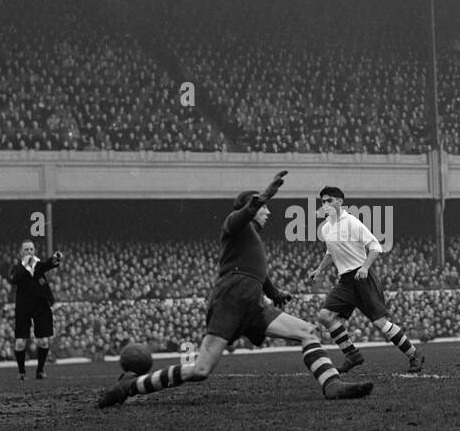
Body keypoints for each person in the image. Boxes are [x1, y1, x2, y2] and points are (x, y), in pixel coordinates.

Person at [97, 171, 374, 408]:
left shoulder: (251, 240)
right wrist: (263, 196)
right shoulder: (234, 225)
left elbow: (258, 274)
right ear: (249, 207)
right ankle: (130, 387)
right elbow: (243, 216)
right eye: (264, 208)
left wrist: (276, 294)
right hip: (229, 301)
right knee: (201, 370)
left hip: (252, 304)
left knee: (308, 331)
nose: (268, 212)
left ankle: (332, 385)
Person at [306, 185, 423, 374]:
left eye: (329, 201)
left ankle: (413, 355)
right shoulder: (326, 227)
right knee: (324, 316)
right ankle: (352, 355)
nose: (325, 205)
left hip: (362, 278)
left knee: (380, 324)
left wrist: (365, 267)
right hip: (345, 281)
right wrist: (319, 269)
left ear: (340, 202)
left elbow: (376, 246)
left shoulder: (352, 222)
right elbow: (331, 253)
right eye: (323, 202)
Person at [8, 239, 62, 380]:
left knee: (44, 341)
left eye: (31, 249)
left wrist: (56, 258)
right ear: (21, 252)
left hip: (40, 306)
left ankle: (40, 370)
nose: (29, 252)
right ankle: (21, 372)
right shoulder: (16, 267)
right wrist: (24, 264)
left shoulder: (38, 265)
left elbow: (48, 264)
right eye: (26, 249)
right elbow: (14, 279)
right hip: (23, 307)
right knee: (20, 342)